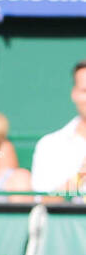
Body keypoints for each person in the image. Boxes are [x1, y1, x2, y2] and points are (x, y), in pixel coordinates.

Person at [30, 61, 86, 192]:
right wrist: (80, 177)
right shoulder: (50, 145)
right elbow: (42, 202)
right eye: (85, 90)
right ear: (74, 94)